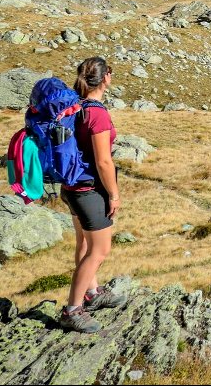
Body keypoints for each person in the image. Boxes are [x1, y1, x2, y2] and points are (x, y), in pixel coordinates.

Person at [57, 57, 127, 333]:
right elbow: (103, 162)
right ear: (106, 77)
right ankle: (73, 309)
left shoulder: (76, 106)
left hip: (71, 187)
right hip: (88, 190)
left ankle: (93, 292)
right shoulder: (97, 113)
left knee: (84, 244)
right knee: (99, 250)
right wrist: (114, 194)